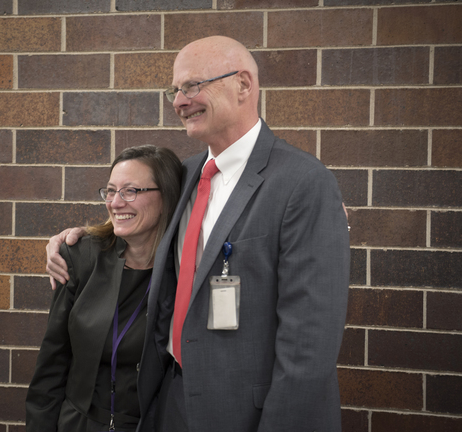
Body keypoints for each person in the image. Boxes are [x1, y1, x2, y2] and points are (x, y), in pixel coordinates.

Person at [47, 36, 350, 432]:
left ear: (243, 85)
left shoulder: (303, 183)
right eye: (175, 90)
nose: (179, 102)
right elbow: (134, 223)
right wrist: (75, 239)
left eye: (192, 86)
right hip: (171, 401)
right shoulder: (186, 174)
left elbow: (310, 344)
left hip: (249, 412)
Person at [26, 145, 182, 432]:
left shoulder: (183, 270)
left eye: (130, 191)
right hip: (78, 424)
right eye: (111, 191)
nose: (115, 203)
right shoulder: (81, 257)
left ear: (167, 196)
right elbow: (52, 363)